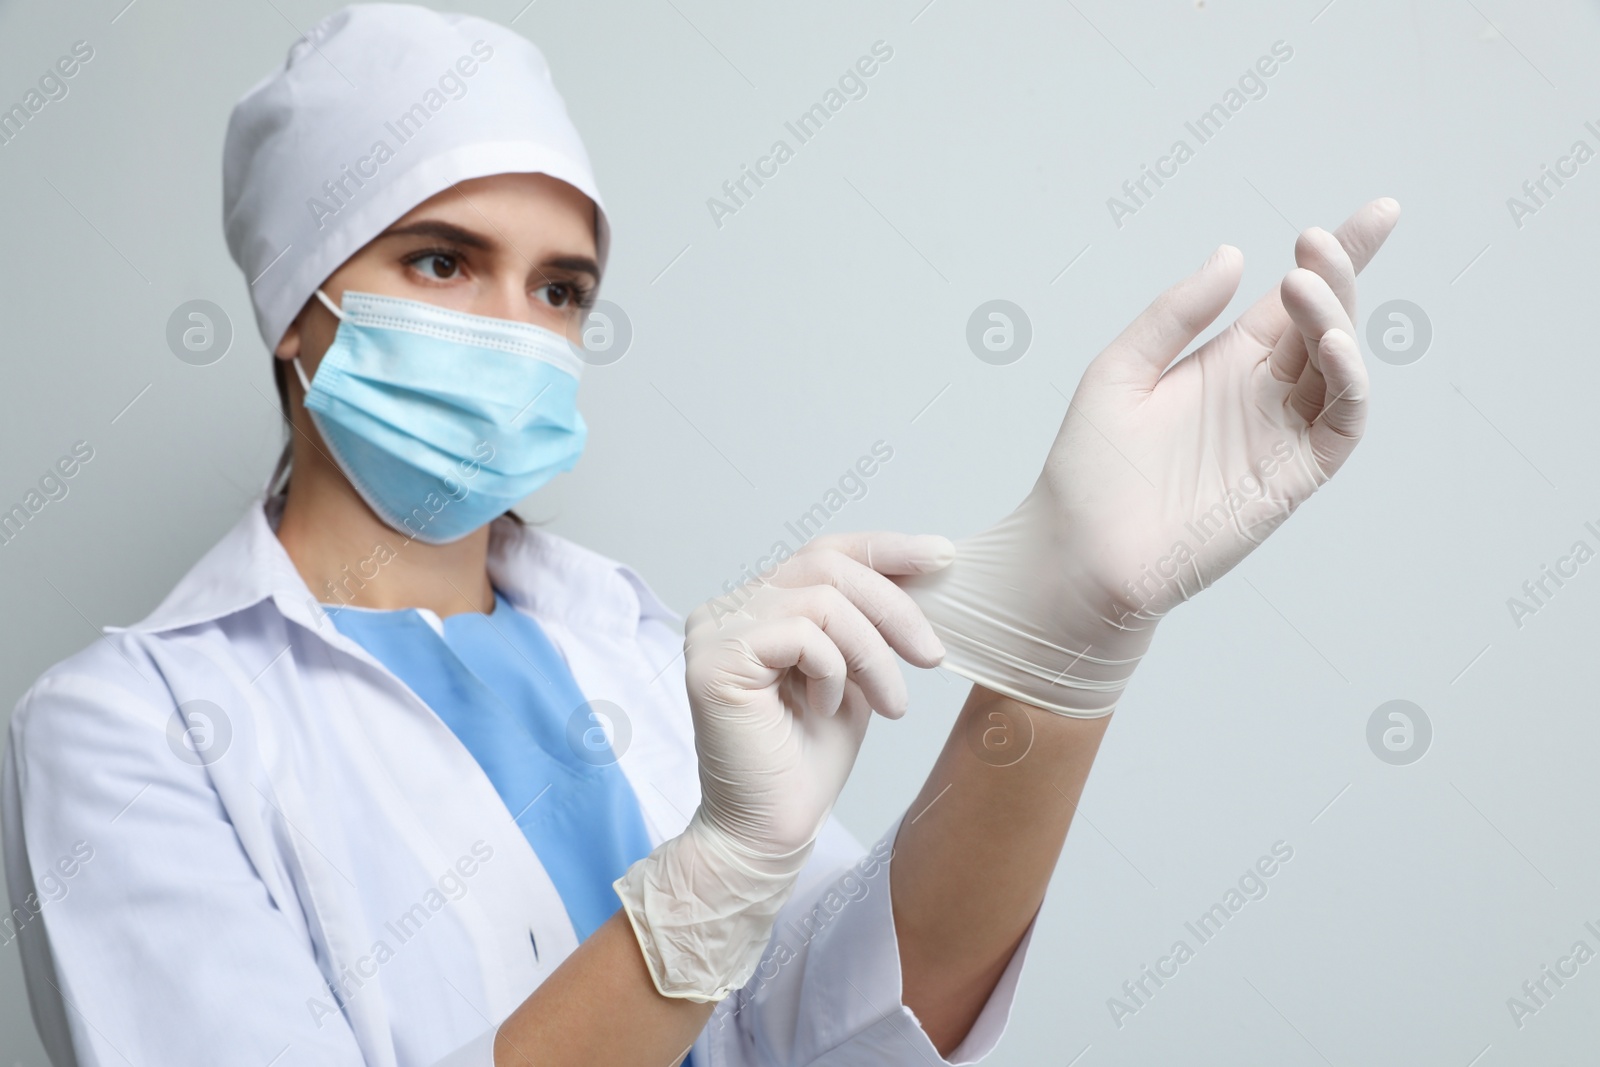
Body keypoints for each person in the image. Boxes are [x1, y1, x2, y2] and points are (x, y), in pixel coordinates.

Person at [0, 4, 1399, 1065]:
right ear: (297, 304)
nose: (513, 329)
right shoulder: (127, 730)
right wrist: (697, 902)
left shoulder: (632, 643)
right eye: (440, 260)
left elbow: (856, 1019)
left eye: (561, 289)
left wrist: (1073, 637)